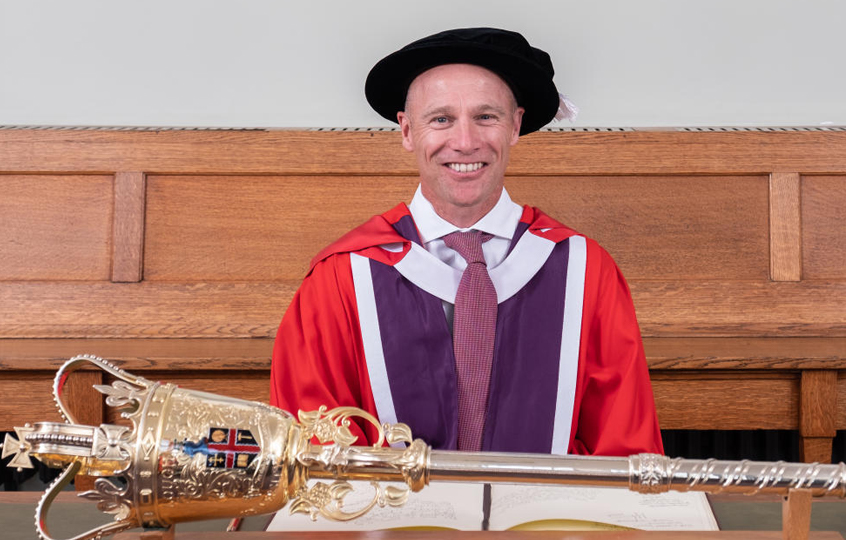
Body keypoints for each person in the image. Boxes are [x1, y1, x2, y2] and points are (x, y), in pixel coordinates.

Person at [270, 27, 662, 457]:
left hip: (548, 522)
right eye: (441, 119)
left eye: (486, 117)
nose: (464, 142)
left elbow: (626, 457)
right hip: (391, 523)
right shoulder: (340, 279)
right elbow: (314, 456)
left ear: (514, 126)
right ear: (406, 131)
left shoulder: (586, 272)